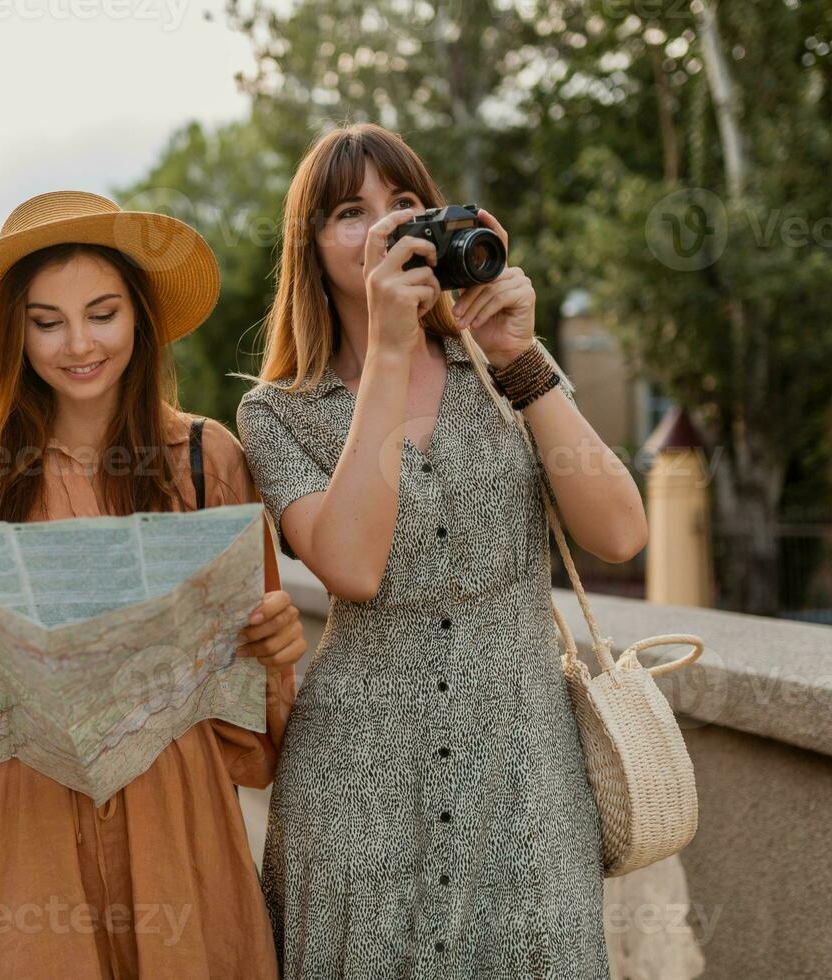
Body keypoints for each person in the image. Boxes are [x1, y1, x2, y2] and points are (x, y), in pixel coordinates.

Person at [0, 191, 305, 980]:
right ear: (13, 333)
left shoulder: (208, 457)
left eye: (102, 313)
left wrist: (275, 643)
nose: (78, 344)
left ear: (140, 318)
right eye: (46, 321)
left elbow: (253, 735)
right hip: (12, 836)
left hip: (176, 827)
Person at [236, 123, 647, 978]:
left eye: (406, 205)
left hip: (529, 784)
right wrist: (387, 353)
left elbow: (619, 532)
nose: (386, 227)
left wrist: (521, 357)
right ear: (312, 250)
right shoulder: (277, 414)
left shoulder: (506, 371)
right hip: (357, 792)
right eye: (351, 212)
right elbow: (351, 566)